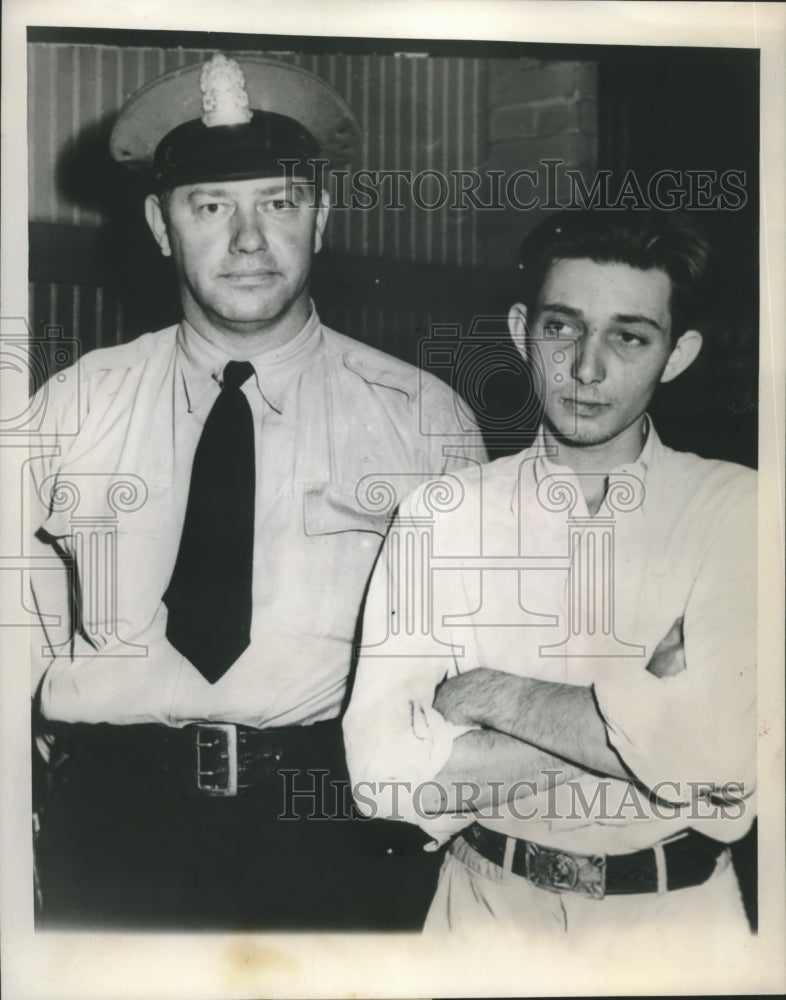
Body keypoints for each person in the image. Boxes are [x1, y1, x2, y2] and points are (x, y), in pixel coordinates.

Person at [29, 52, 484, 930]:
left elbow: (466, 660)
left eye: (278, 203)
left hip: (335, 830)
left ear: (323, 217)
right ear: (161, 226)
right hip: (112, 830)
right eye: (210, 207)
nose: (247, 241)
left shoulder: (422, 419)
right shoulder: (73, 406)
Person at [343, 210, 756, 941]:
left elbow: (726, 766)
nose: (587, 369)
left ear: (679, 353)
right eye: (562, 328)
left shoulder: (740, 509)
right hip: (483, 922)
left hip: (678, 927)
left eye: (629, 337)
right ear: (519, 330)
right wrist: (646, 719)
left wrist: (495, 695)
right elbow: (385, 784)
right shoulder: (444, 514)